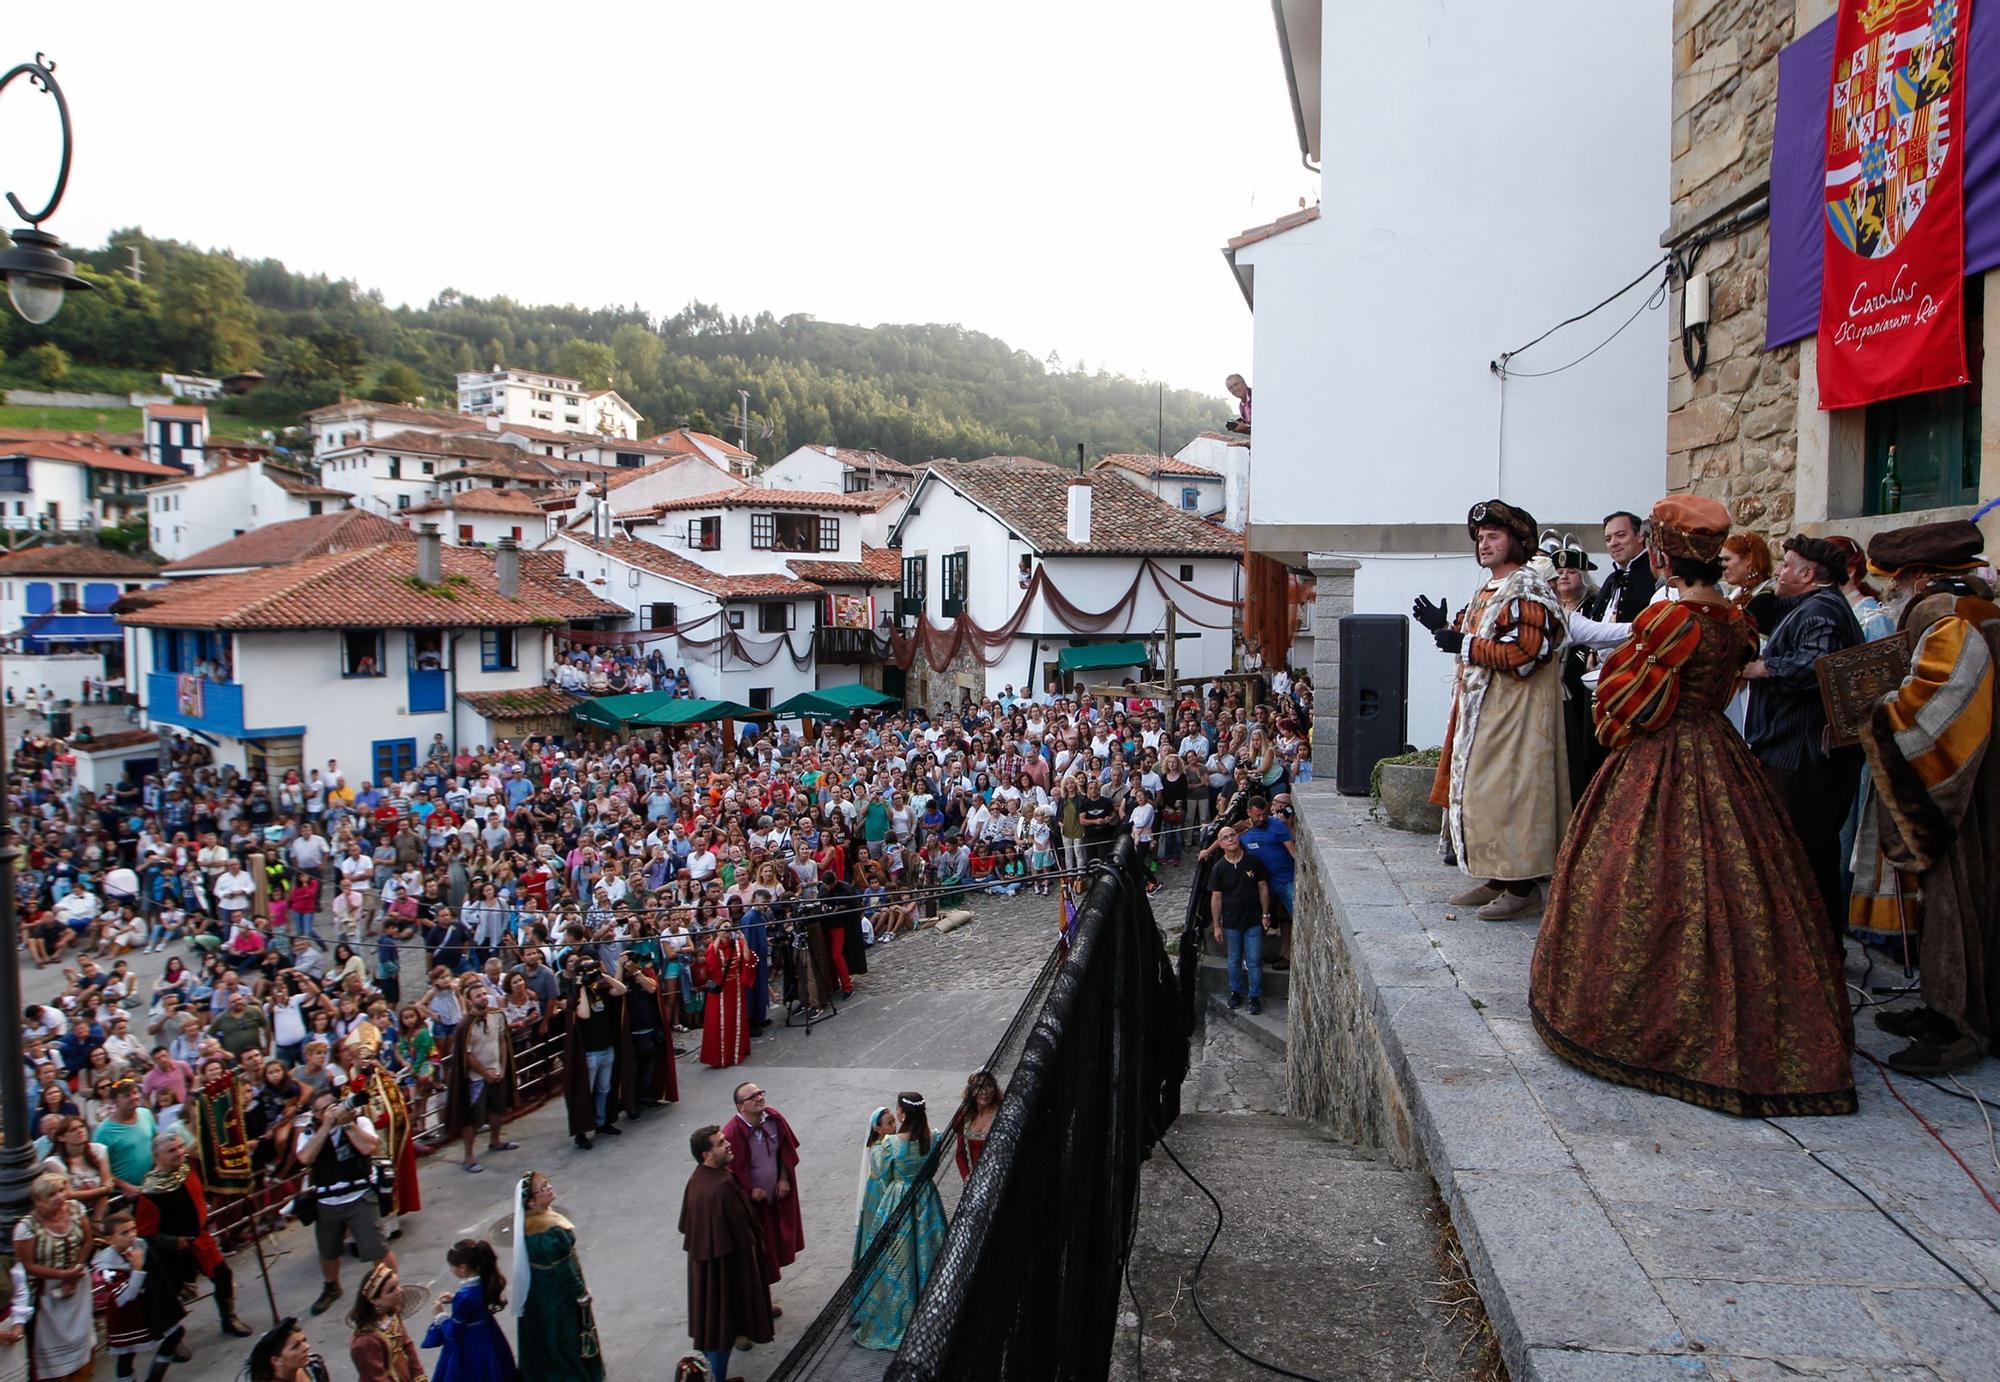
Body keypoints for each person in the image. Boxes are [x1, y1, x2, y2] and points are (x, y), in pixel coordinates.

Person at [1531, 496, 1856, 1117]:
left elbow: (1626, 706)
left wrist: (1616, 711)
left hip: (1661, 759)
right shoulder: (1735, 622)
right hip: (1722, 752)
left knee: (1643, 879)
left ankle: (1656, 1030)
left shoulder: (1670, 624)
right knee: (1747, 883)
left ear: (1663, 557)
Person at [1856, 520, 2000, 1074]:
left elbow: (1937, 705)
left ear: (1916, 577)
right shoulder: (1976, 610)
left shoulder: (1949, 619)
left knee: (1953, 897)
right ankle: (1945, 1005)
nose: (1890, 591)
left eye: (1894, 581)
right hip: (1980, 776)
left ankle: (1954, 1024)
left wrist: (1874, 711)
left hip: (1957, 781)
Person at [1414, 499, 1570, 919]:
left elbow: (1526, 652)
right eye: (1480, 538)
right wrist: (1444, 629)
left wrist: (1462, 643)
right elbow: (1477, 640)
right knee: (1485, 795)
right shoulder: (1489, 589)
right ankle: (1500, 877)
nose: (1483, 544)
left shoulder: (1528, 587)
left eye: (1493, 536)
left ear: (1518, 541)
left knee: (1510, 794)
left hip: (1516, 713)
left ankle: (1523, 887)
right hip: (1483, 710)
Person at [1744, 533, 1865, 948]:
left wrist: (1763, 668)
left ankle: (1810, 952)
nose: (1778, 572)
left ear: (1808, 574)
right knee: (1811, 853)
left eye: (1786, 565)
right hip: (1802, 752)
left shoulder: (1821, 610)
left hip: (1802, 754)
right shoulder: (1820, 606)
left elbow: (1816, 664)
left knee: (1802, 854)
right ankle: (1817, 949)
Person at [850, 1092, 949, 1351]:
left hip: (899, 1200)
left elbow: (883, 1174)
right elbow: (933, 1168)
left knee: (897, 1259)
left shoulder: (890, 1144)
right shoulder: (935, 1137)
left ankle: (898, 1316)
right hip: (926, 1199)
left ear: (902, 1114)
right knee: (929, 1254)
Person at [134, 1133, 252, 1341]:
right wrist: (173, 1242)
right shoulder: (150, 1193)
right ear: (156, 1156)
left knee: (223, 1276)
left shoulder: (189, 1167)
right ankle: (172, 1340)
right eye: (172, 1150)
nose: (179, 1152)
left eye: (180, 1147)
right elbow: (145, 1234)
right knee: (170, 1295)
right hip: (172, 1253)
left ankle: (228, 1318)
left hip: (201, 1239)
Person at [679, 1124, 775, 1382]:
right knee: (722, 1329)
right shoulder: (720, 1187)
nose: (728, 1144)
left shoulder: (698, 1179)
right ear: (706, 1155)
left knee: (715, 1326)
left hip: (711, 1268)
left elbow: (687, 1225)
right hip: (726, 1271)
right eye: (721, 1143)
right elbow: (742, 1232)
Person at [297, 1084, 393, 1316]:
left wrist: (346, 1123)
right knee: (328, 1251)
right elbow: (305, 1157)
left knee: (376, 1248)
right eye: (321, 1111)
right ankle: (332, 1287)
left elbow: (369, 1147)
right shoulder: (309, 1133)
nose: (327, 1113)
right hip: (327, 1200)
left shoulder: (358, 1122)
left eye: (330, 1107)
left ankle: (389, 1287)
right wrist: (326, 1127)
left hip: (359, 1195)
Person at [510, 1172, 603, 1382]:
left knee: (544, 1337)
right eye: (542, 1188)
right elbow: (565, 1270)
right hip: (558, 1296)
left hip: (538, 1292)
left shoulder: (529, 1225)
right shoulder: (549, 1233)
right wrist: (581, 1293)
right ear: (531, 1202)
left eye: (547, 1184)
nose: (549, 1188)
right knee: (564, 1338)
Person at [722, 1081, 804, 1286]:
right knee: (758, 1250)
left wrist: (784, 1179)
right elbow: (731, 1171)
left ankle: (764, 1296)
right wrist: (750, 1191)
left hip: (776, 1194)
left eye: (760, 1093)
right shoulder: (732, 1133)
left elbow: (785, 1149)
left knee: (776, 1243)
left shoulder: (773, 1119)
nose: (760, 1098)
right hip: (753, 1203)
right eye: (752, 1097)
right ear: (741, 1106)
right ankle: (761, 1300)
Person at [13, 1172, 93, 1382]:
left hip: (78, 1282)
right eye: (52, 1195)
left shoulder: (76, 1208)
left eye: (61, 1191)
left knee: (82, 1340)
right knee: (51, 1346)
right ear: (38, 1201)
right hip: (48, 1292)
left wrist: (75, 1271)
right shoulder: (26, 1227)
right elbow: (27, 1266)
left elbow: (87, 1241)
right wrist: (63, 1275)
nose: (59, 1197)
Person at [441, 984, 519, 1173]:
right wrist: (485, 1073)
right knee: (472, 1118)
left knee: (497, 1109)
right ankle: (468, 1157)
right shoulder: (465, 1025)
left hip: (496, 1071)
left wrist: (501, 1067)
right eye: (478, 996)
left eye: (484, 994)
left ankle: (495, 1140)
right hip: (476, 1078)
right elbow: (466, 1055)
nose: (483, 997)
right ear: (469, 1001)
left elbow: (502, 1040)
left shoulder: (497, 1015)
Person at [422, 1240, 517, 1382]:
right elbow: (476, 1302)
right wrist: (454, 1298)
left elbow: (454, 1332)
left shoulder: (464, 1296)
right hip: (489, 1335)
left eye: (452, 1267)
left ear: (462, 1268)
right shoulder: (486, 1282)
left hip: (470, 1345)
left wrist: (440, 1315)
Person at [561, 955, 630, 1150]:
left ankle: (602, 1122)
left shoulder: (602, 989)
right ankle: (582, 1130)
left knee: (604, 1089)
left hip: (607, 1048)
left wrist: (604, 976)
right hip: (589, 1054)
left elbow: (622, 989)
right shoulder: (576, 993)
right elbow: (584, 1014)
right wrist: (581, 985)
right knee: (586, 1092)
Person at [1207, 825, 1276, 1014]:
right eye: (1226, 838)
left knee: (1254, 959)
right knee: (1234, 959)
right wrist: (1217, 925)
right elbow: (1216, 897)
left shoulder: (1253, 861)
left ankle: (1254, 996)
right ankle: (1235, 992)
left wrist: (1265, 914)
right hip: (1231, 921)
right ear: (1220, 844)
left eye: (1233, 835)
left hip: (1253, 919)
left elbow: (1263, 888)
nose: (1231, 839)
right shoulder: (1219, 869)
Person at [348, 1260, 426, 1382]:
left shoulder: (392, 1315)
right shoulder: (365, 1342)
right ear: (374, 1301)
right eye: (391, 1290)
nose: (399, 1290)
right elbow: (376, 1377)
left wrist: (419, 1377)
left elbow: (408, 1346)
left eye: (398, 1285)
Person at [700, 918, 754, 1069]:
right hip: (721, 989)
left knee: (735, 1018)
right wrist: (718, 936)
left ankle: (736, 1051)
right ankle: (721, 1056)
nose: (728, 930)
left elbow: (747, 959)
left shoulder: (737, 944)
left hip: (735, 986)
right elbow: (711, 964)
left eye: (730, 927)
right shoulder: (713, 946)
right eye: (725, 927)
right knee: (720, 1020)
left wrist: (745, 941)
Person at [1588, 510, 1657, 623]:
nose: (1613, 543)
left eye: (1621, 535)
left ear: (1640, 536)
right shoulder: (1611, 580)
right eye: (1608, 539)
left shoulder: (1654, 575)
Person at [247, 1318, 334, 1382]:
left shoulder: (315, 1366)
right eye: (296, 1346)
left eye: (304, 1340)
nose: (307, 1346)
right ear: (276, 1360)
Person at [953, 1070, 1003, 1180]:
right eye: (979, 1087)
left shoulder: (1002, 1117)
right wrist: (967, 1177)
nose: (984, 1092)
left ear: (994, 1089)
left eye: (988, 1086)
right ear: (971, 1091)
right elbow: (960, 1154)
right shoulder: (966, 1117)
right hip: (974, 1184)